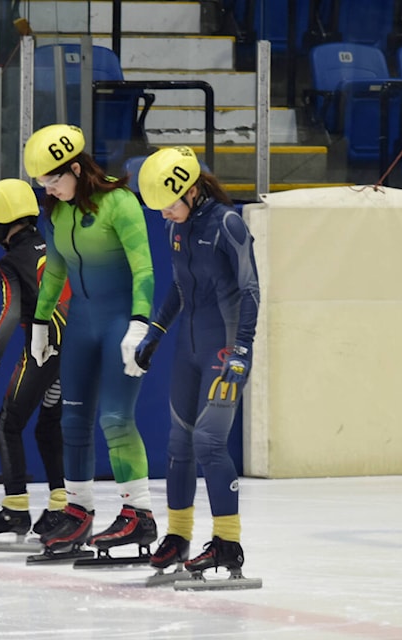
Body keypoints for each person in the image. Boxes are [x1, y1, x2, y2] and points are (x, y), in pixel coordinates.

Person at [22, 123, 157, 556]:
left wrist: (139, 322)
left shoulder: (121, 203)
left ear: (77, 169)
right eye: (42, 182)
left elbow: (144, 269)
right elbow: (56, 272)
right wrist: (41, 323)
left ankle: (139, 514)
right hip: (80, 324)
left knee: (115, 419)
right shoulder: (56, 213)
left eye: (54, 179)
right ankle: (78, 512)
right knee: (72, 421)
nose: (49, 188)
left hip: (121, 321)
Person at [134, 146, 260, 576]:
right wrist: (155, 332)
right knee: (178, 445)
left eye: (168, 205)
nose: (164, 214)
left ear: (189, 190)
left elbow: (250, 290)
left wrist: (243, 349)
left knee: (208, 442)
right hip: (187, 351)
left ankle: (228, 543)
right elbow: (178, 287)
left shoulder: (227, 223)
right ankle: (179, 535)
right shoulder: (177, 228)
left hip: (224, 351)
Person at [0, 178, 69, 539]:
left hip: (42, 351)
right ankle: (61, 506)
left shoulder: (11, 261)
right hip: (73, 349)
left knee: (7, 423)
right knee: (48, 425)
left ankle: (15, 510)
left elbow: (11, 313)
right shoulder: (56, 242)